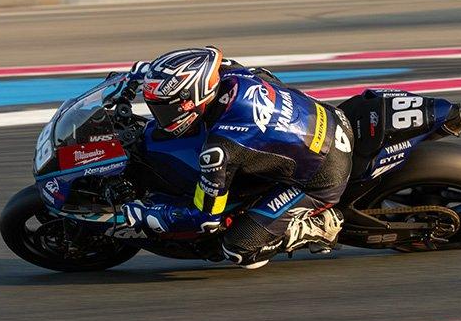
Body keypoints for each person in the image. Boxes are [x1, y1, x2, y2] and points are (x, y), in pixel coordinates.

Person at [121, 46, 354, 269]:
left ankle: (316, 226)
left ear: (193, 99)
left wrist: (148, 214)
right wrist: (138, 78)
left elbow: (205, 219)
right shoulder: (226, 72)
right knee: (261, 77)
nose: (159, 116)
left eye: (164, 109)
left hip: (323, 176)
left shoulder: (221, 147)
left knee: (240, 248)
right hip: (328, 116)